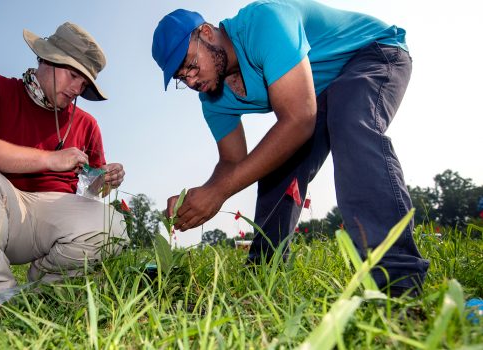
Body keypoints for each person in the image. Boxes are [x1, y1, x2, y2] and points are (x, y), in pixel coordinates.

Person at [151, 1, 429, 296]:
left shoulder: (263, 23)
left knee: (349, 122)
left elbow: (298, 120)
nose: (192, 80)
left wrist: (218, 192)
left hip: (371, 53)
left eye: (191, 65)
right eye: (183, 78)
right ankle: (261, 279)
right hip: (319, 92)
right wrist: (203, 195)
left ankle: (395, 280)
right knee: (276, 163)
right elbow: (232, 162)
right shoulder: (212, 99)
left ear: (206, 33)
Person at [0, 22, 128, 309]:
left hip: (54, 215)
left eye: (84, 84)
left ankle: (42, 291)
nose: (77, 88)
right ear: (46, 59)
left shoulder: (88, 124)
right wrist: (50, 159)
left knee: (113, 226)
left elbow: (92, 194)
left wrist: (106, 180)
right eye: (73, 75)